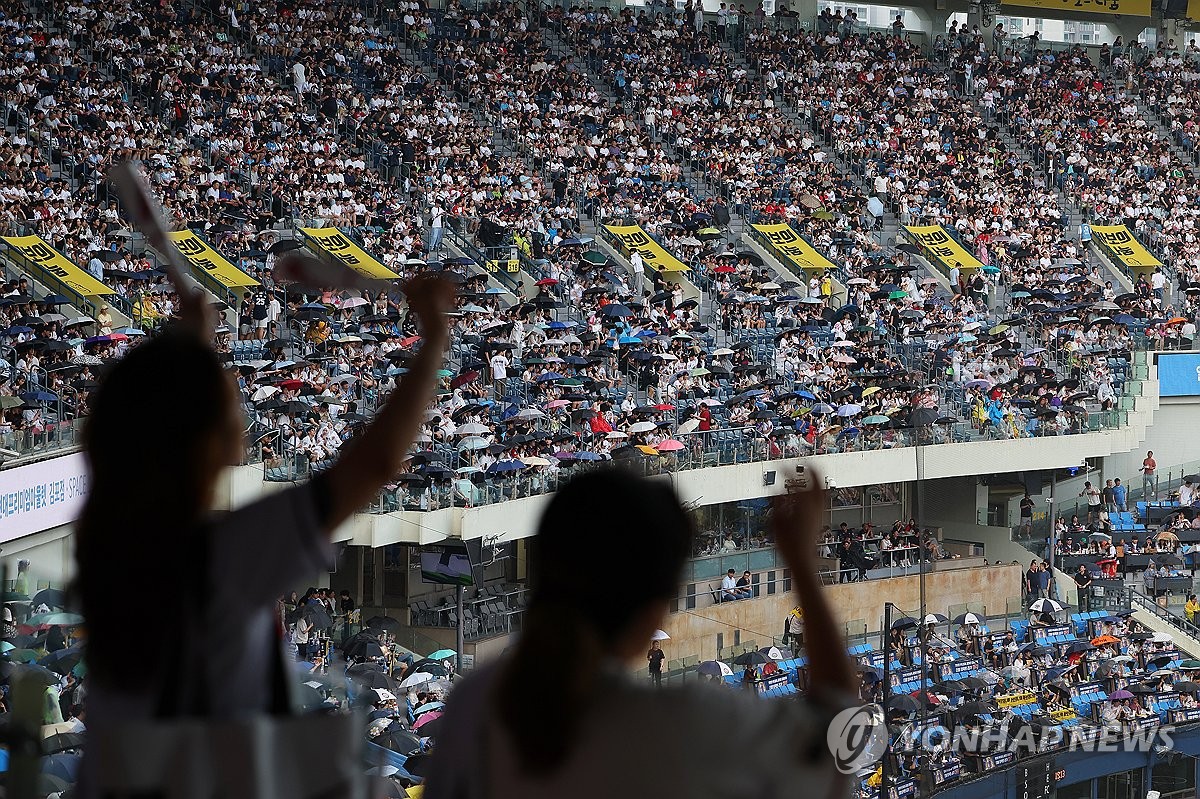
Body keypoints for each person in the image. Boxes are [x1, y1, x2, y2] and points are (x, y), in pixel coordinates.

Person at [76, 260, 454, 792]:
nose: (243, 401)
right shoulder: (222, 558)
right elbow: (374, 463)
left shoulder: (119, 552)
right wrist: (435, 335)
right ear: (202, 439)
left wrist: (192, 347)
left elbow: (162, 413)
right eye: (228, 390)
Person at [424, 471, 852, 798]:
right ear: (653, 612)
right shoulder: (686, 722)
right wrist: (800, 559)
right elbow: (842, 744)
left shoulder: (474, 700)